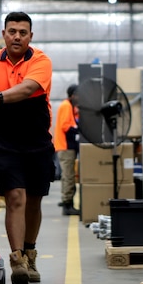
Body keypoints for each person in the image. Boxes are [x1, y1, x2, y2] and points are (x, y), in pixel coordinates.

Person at [0, 12, 54, 284]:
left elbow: (28, 88)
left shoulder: (40, 61)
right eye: (12, 31)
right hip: (5, 142)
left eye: (22, 32)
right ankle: (18, 260)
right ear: (4, 34)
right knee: (15, 198)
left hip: (37, 141)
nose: (17, 36)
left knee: (34, 200)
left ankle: (31, 254)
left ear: (31, 36)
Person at [54, 84, 80, 216]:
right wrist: (78, 131)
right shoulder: (66, 106)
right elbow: (66, 126)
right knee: (68, 176)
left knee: (68, 176)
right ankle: (67, 204)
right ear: (72, 95)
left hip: (68, 147)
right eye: (78, 95)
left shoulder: (71, 107)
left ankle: (67, 201)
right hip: (65, 146)